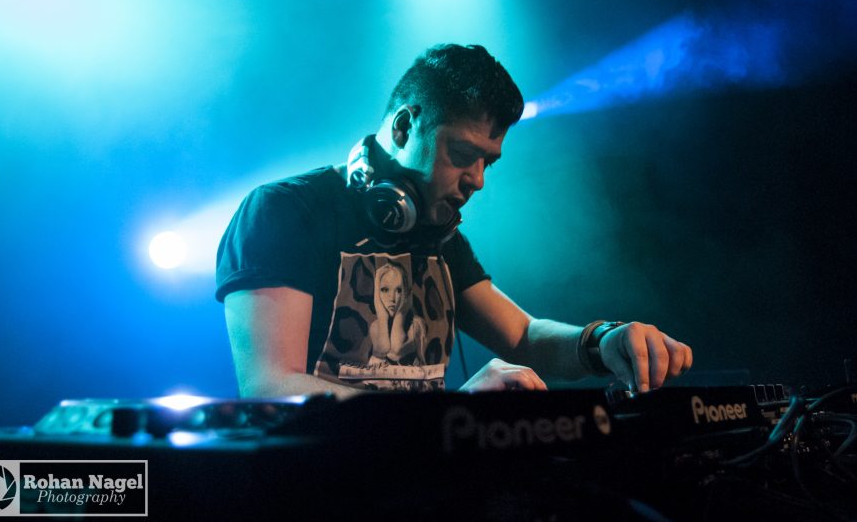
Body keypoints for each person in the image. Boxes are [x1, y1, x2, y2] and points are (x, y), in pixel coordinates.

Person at [216, 44, 693, 398]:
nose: (477, 180)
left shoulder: (436, 233)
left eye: (488, 163)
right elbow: (270, 386)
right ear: (405, 127)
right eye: (463, 154)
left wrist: (602, 342)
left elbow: (523, 336)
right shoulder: (285, 211)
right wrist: (451, 410)